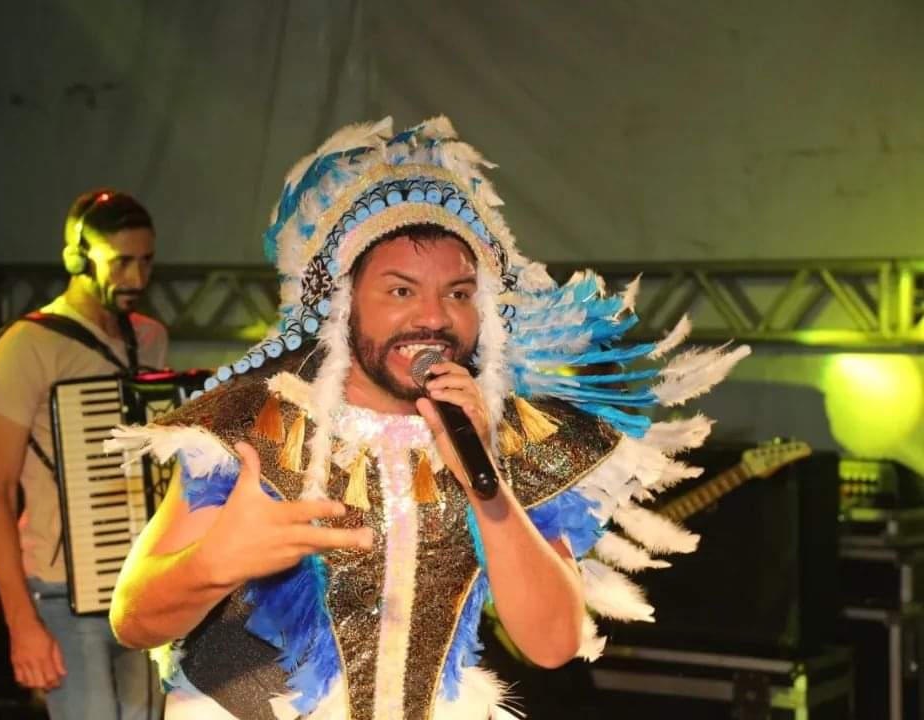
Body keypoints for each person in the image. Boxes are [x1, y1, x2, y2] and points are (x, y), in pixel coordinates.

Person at [107, 117, 749, 720]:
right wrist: (211, 564)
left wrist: (488, 484)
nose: (434, 318)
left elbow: (553, 643)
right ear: (342, 303)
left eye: (458, 293)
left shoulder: (507, 436)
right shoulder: (255, 424)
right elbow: (132, 620)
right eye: (401, 290)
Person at [0, 189, 167, 720]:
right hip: (60, 589)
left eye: (146, 261)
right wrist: (21, 623)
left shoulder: (151, 338)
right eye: (120, 261)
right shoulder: (28, 344)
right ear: (78, 258)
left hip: (139, 583)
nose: (136, 278)